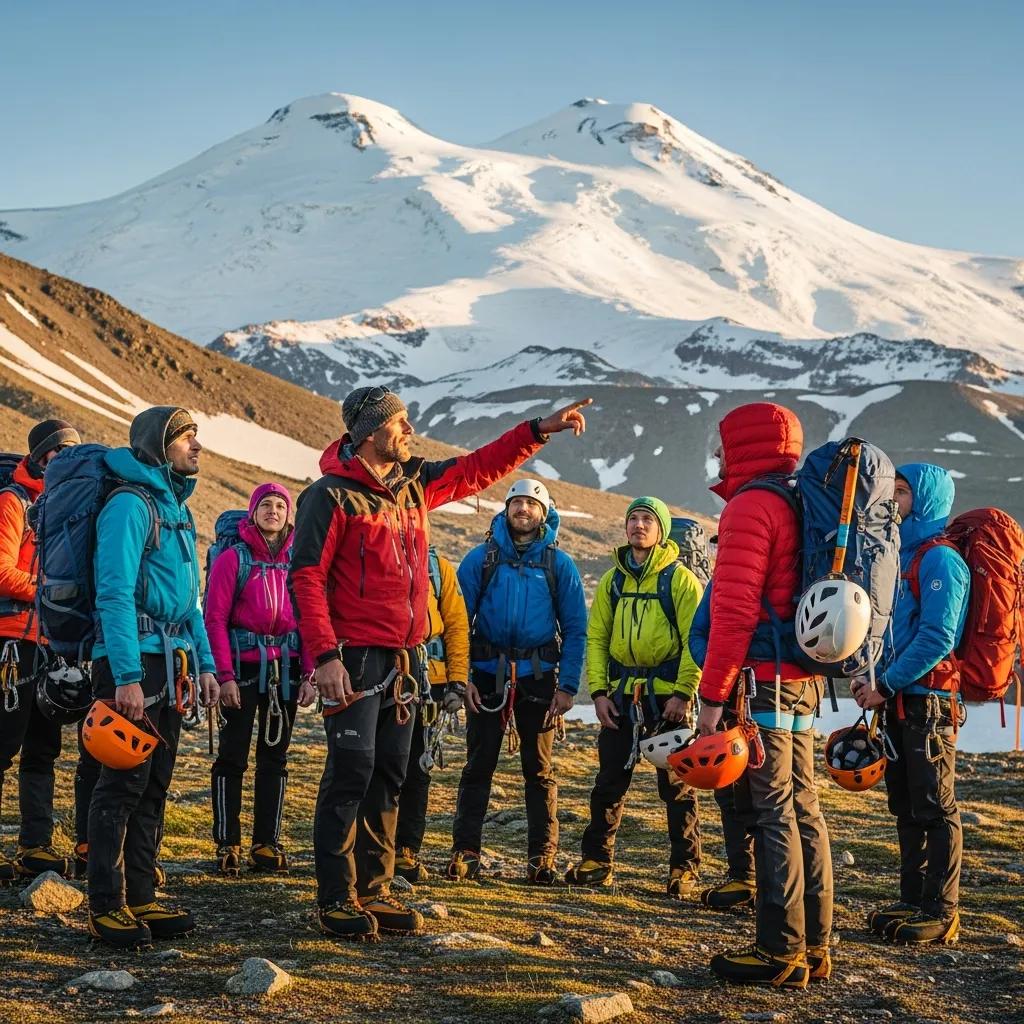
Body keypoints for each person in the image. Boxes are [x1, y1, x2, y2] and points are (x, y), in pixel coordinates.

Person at [290, 386, 590, 940]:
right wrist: (324, 657)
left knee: (388, 775)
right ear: (369, 432)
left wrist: (536, 432)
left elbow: (479, 469)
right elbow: (305, 578)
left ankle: (374, 890)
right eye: (399, 423)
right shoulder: (329, 497)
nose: (409, 430)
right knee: (350, 773)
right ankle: (336, 896)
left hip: (406, 664)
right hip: (352, 659)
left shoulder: (413, 486)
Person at [695, 402, 833, 990]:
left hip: (765, 678)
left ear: (742, 445)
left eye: (723, 443)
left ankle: (779, 949)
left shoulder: (752, 507)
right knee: (804, 807)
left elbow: (732, 613)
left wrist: (711, 697)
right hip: (804, 677)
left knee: (773, 810)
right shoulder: (804, 499)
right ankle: (815, 944)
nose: (719, 454)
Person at [84, 407, 219, 948]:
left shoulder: (174, 508)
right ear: (157, 445)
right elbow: (113, 593)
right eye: (187, 437)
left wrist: (207, 665)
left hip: (172, 661)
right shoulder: (128, 505)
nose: (197, 446)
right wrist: (126, 675)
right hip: (131, 663)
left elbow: (190, 605)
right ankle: (105, 905)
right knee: (119, 785)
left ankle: (141, 894)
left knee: (155, 782)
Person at [447, 479, 587, 885]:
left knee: (538, 770)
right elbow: (459, 622)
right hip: (486, 676)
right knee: (478, 766)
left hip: (539, 679)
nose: (523, 509)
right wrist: (462, 677)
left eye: (531, 503)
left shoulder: (559, 564)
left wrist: (567, 687)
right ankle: (465, 851)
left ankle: (542, 858)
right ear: (506, 509)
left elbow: (577, 629)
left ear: (544, 513)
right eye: (517, 502)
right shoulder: (481, 560)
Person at [565, 496, 703, 896]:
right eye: (633, 519)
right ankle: (597, 861)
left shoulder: (678, 579)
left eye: (647, 519)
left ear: (660, 531)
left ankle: (686, 868)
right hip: (622, 697)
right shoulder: (613, 581)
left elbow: (697, 641)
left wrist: (684, 693)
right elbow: (597, 638)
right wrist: (599, 692)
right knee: (609, 780)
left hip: (667, 700)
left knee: (677, 787)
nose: (638, 525)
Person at [855, 464, 969, 945]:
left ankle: (943, 911)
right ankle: (912, 899)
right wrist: (873, 677)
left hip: (931, 703)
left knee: (935, 806)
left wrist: (887, 683)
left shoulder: (941, 560)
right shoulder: (902, 555)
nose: (892, 500)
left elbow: (939, 636)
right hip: (900, 702)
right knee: (905, 803)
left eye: (901, 492)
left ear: (923, 500)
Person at [204, 482, 316, 877]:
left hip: (285, 671)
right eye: (265, 504)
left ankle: (266, 843)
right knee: (232, 756)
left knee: (275, 757)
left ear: (289, 515)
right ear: (252, 513)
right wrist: (225, 677)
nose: (273, 510)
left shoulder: (300, 561)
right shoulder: (232, 559)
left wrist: (310, 673)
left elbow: (311, 618)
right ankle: (227, 842)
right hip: (243, 670)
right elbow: (213, 620)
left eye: (280, 505)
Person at [0, 419, 80, 881]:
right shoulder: (14, 502)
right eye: (58, 452)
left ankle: (36, 845)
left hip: (51, 641)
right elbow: (3, 572)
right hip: (12, 638)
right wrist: (52, 590)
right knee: (4, 741)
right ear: (41, 457)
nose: (64, 459)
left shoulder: (64, 507)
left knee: (43, 747)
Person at [394, 545, 470, 882]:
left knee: (417, 767)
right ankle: (380, 846)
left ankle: (406, 849)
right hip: (391, 676)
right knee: (384, 764)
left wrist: (457, 681)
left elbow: (456, 625)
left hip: (431, 681)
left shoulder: (439, 568)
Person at [688, 584, 758, 911]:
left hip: (764, 694)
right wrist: (721, 667)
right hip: (729, 694)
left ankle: (769, 880)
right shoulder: (717, 584)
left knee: (767, 793)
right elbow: (697, 633)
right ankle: (743, 875)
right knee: (728, 788)